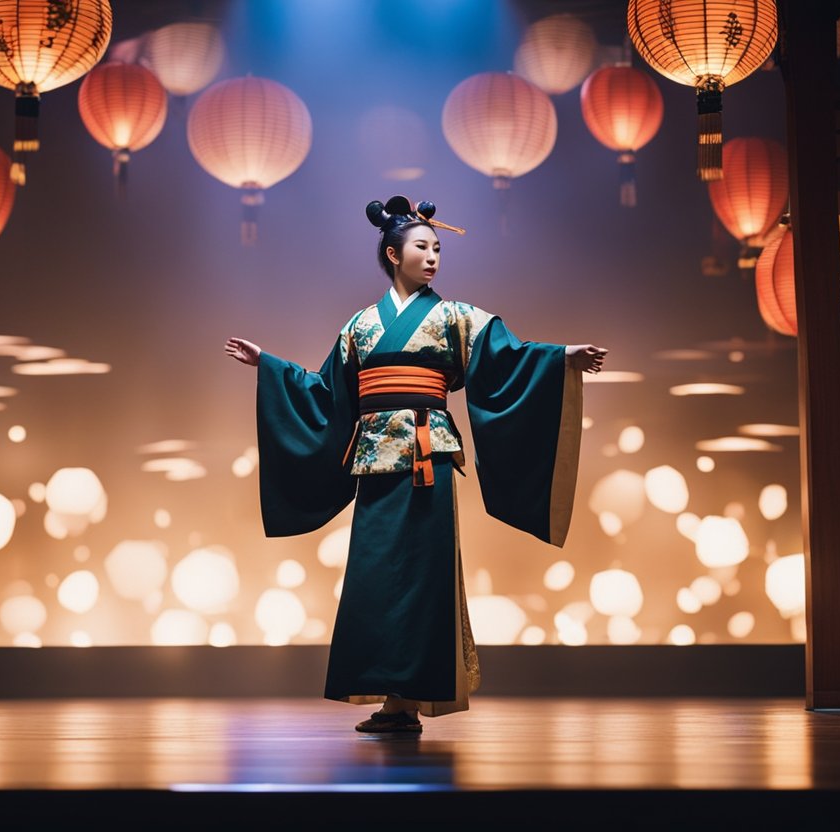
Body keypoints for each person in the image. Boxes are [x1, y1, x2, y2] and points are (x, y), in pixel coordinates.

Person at [224, 195, 606, 734]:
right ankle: (392, 699)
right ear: (391, 252)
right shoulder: (359, 326)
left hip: (427, 459)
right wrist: (269, 364)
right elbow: (325, 390)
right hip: (377, 460)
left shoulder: (456, 318)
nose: (432, 258)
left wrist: (562, 356)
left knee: (423, 580)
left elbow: (509, 356)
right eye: (421, 247)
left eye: (437, 249)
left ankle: (408, 700)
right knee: (375, 577)